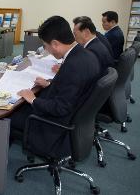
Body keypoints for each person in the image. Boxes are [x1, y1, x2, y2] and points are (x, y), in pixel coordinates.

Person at [11, 16, 100, 158]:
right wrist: (49, 84)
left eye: (46, 46)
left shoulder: (73, 66)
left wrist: (33, 99)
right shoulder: (86, 55)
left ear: (55, 43)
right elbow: (72, 89)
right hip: (75, 118)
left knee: (9, 114)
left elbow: (60, 108)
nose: (47, 50)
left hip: (55, 124)